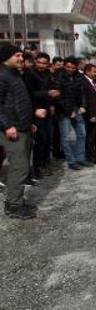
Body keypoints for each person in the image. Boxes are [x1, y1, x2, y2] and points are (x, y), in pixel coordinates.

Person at [0, 45, 36, 219]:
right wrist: (7, 126)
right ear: (6, 57)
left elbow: (20, 102)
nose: (21, 58)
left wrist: (29, 123)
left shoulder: (14, 74)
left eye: (21, 55)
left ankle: (16, 200)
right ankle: (13, 205)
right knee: (19, 167)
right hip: (12, 128)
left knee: (22, 166)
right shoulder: (2, 75)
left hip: (22, 126)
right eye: (17, 55)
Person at [23, 53, 59, 179]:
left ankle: (45, 163)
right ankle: (37, 168)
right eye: (39, 62)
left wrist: (52, 102)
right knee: (40, 140)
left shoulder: (48, 74)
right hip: (35, 110)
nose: (41, 65)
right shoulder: (29, 74)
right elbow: (29, 94)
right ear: (35, 62)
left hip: (47, 110)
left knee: (48, 138)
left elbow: (52, 87)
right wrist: (47, 93)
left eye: (44, 63)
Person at [55, 56, 89, 170]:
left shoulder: (79, 76)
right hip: (63, 110)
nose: (70, 69)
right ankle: (71, 161)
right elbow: (58, 96)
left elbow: (82, 92)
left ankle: (80, 158)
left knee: (82, 133)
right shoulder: (58, 75)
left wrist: (83, 106)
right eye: (68, 67)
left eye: (73, 68)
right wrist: (68, 111)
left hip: (76, 108)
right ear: (64, 66)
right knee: (66, 137)